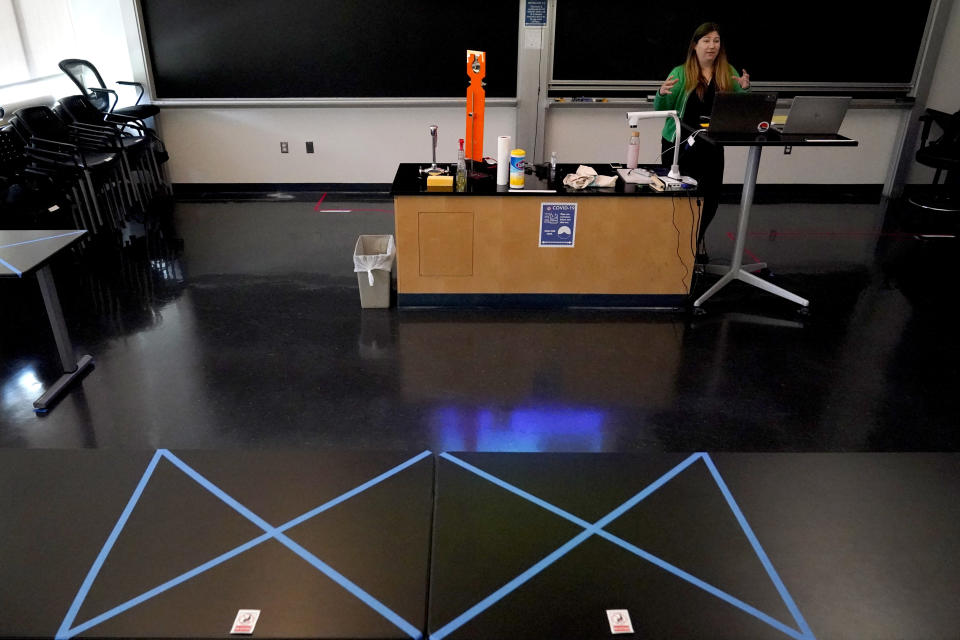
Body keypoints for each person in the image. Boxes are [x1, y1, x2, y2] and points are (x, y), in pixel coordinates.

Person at [653, 22, 750, 259]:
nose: (712, 46)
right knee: (682, 198)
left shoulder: (729, 72)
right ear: (695, 45)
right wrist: (661, 93)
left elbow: (741, 108)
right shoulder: (679, 73)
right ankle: (680, 244)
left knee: (711, 198)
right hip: (680, 145)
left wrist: (744, 90)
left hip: (712, 146)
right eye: (706, 41)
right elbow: (663, 109)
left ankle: (696, 239)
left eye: (716, 41)